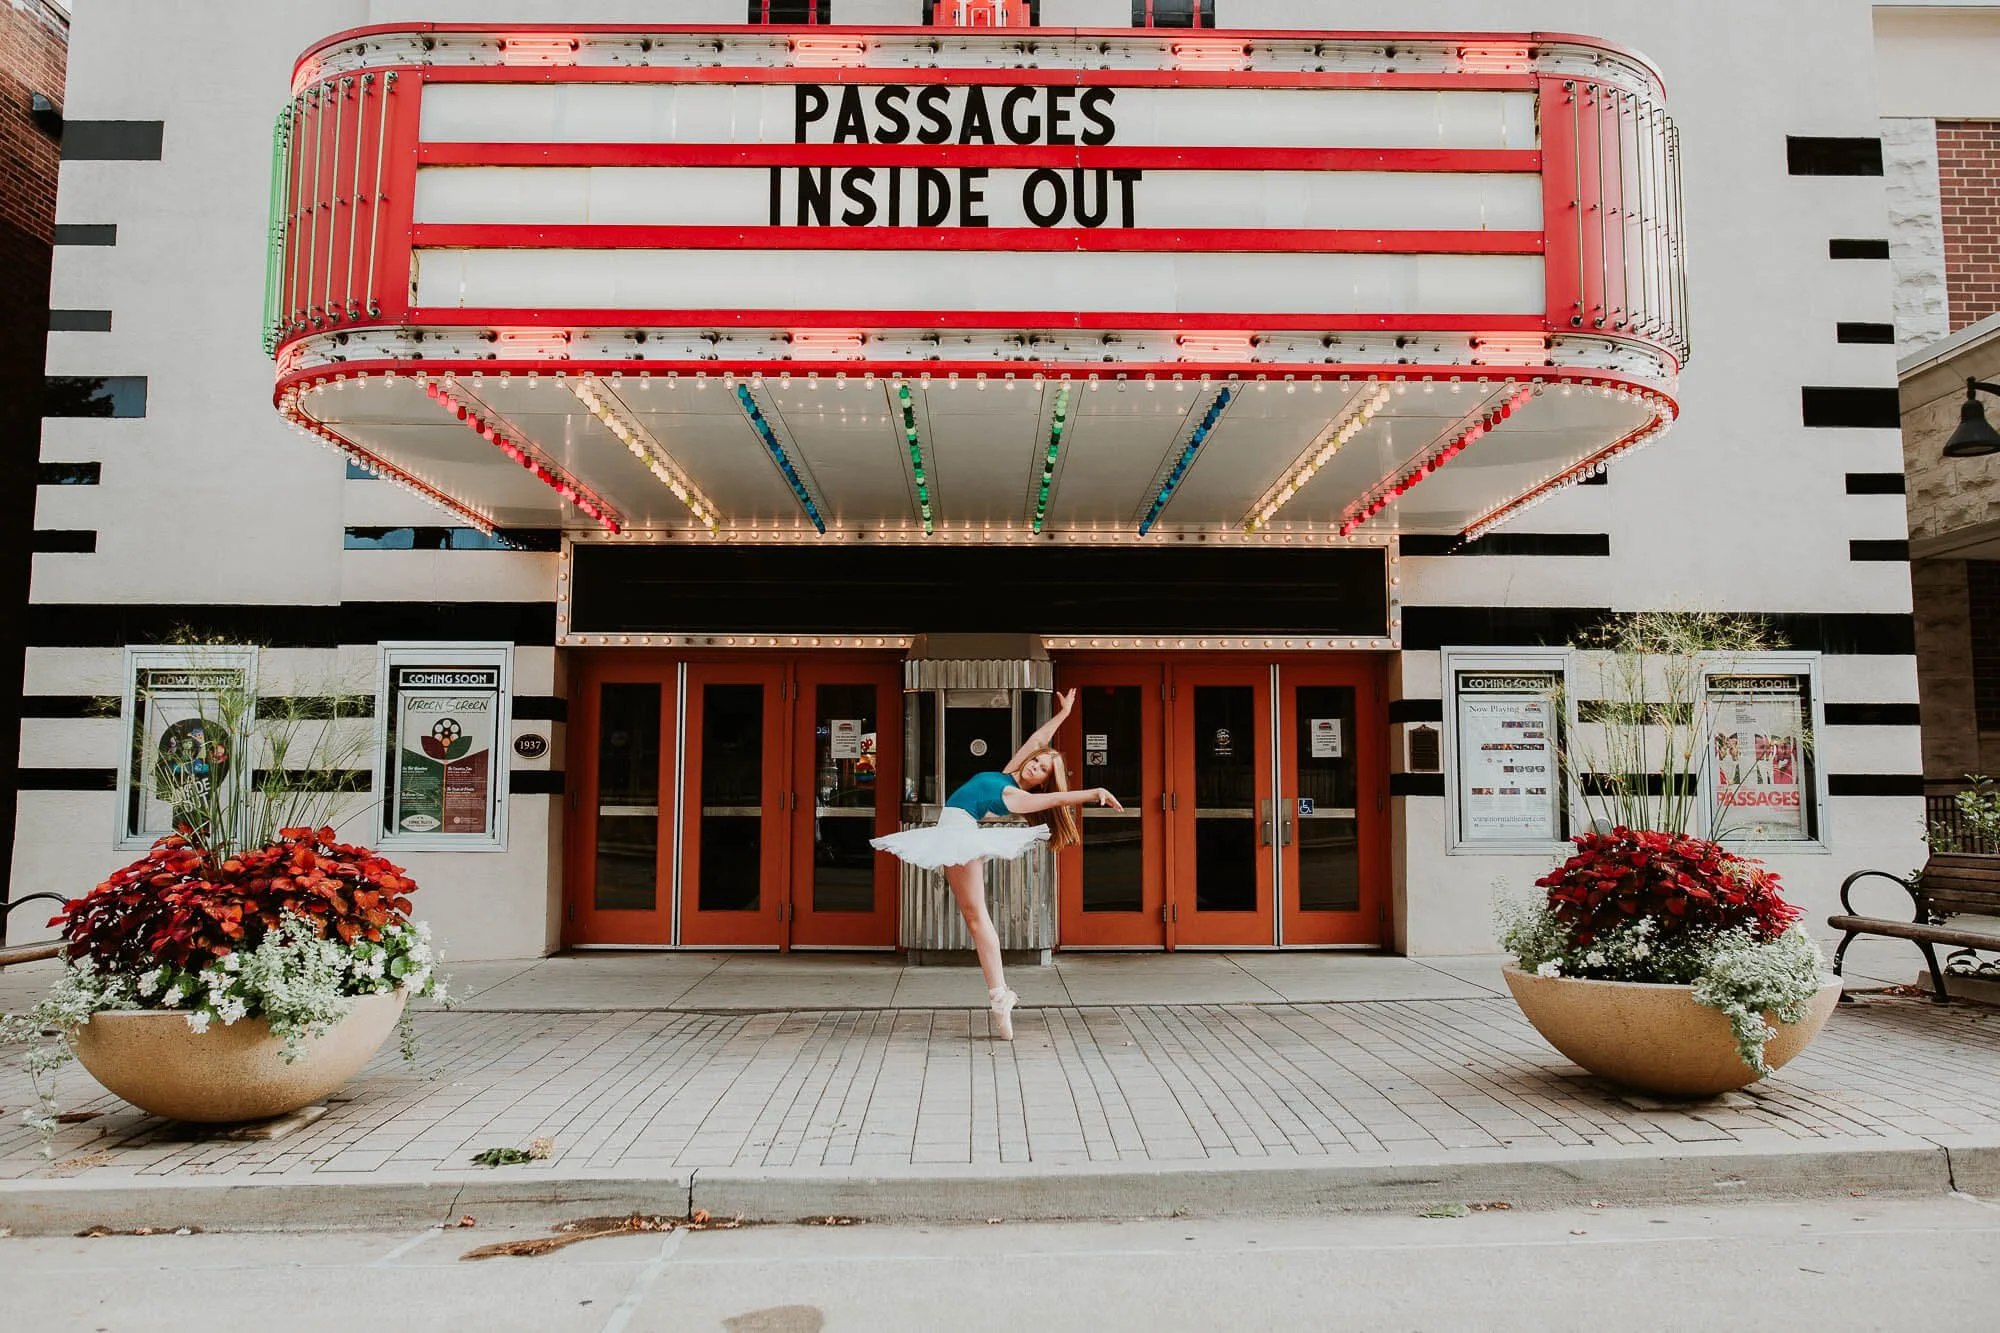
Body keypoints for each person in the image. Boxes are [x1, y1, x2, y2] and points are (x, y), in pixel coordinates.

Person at [871, 688, 1123, 1039]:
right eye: (1037, 761)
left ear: (1041, 782)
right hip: (955, 832)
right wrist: (1063, 715)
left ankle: (1000, 996)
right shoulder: (1007, 775)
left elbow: (1057, 797)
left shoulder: (1016, 796)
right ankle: (1000, 997)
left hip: (958, 834)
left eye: (1042, 769)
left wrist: (1094, 793)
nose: (1035, 765)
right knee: (976, 918)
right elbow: (1038, 739)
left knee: (977, 920)